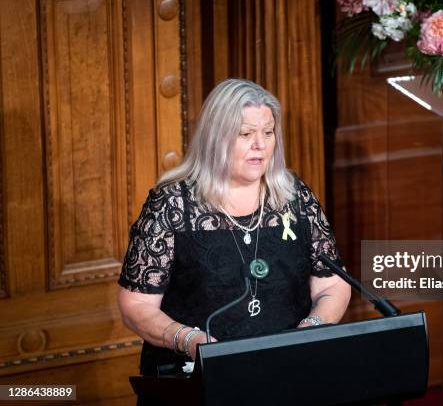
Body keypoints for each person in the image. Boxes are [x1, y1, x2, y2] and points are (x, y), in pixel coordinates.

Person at [117, 78, 351, 386]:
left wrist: (312, 328)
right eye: (245, 134)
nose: (260, 144)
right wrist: (191, 341)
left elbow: (332, 285)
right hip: (201, 380)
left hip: (287, 374)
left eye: (268, 133)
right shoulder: (173, 204)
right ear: (215, 137)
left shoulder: (295, 197)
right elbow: (136, 306)